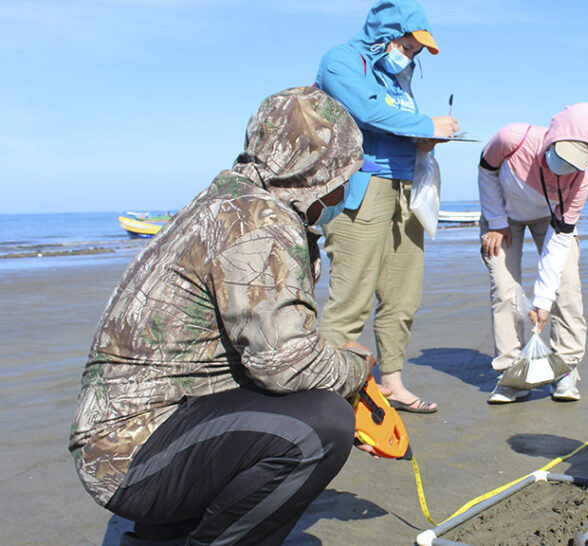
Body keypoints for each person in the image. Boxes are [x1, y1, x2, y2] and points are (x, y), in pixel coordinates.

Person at [69, 87, 384, 545]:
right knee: (322, 425)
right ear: (318, 171)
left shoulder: (230, 201)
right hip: (131, 456)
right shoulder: (259, 223)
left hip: (131, 436)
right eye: (348, 173)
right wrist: (357, 368)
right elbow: (288, 366)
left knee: (301, 410)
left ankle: (169, 532)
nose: (348, 188)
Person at [315, 0, 458, 413]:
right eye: (408, 47)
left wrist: (426, 139)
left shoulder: (400, 75)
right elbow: (369, 113)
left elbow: (398, 123)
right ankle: (325, 395)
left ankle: (392, 382)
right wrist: (427, 125)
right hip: (361, 187)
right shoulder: (341, 61)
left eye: (415, 52)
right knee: (352, 295)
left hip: (405, 186)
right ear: (386, 35)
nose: (410, 56)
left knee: (403, 295)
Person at [477, 103, 588, 403]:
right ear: (552, 137)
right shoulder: (512, 138)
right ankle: (511, 372)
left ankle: (566, 369)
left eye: (574, 162)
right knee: (505, 288)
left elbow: (559, 242)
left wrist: (543, 300)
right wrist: (495, 221)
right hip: (503, 215)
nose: (564, 167)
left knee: (567, 286)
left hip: (549, 219)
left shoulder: (580, 181)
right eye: (561, 155)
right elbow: (486, 171)